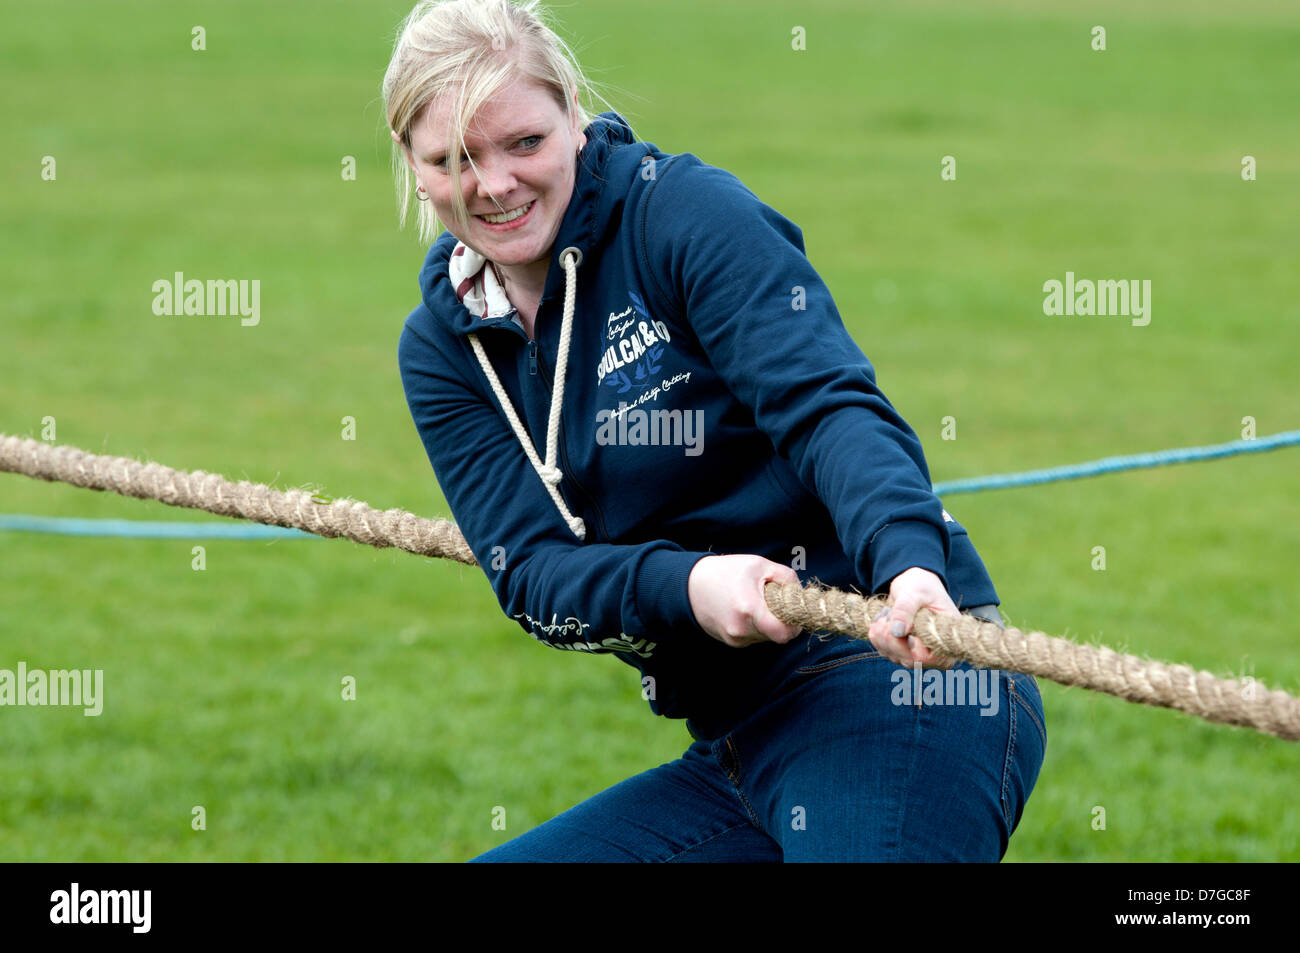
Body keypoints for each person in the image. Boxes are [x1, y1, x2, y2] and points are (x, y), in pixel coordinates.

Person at [385, 0, 1045, 862]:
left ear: (574, 116)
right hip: (738, 742)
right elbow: (535, 573)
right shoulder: (442, 349)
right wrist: (692, 586)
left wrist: (909, 562)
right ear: (413, 164)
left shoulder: (685, 215)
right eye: (454, 160)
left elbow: (828, 407)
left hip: (899, 682)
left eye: (525, 144)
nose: (496, 185)